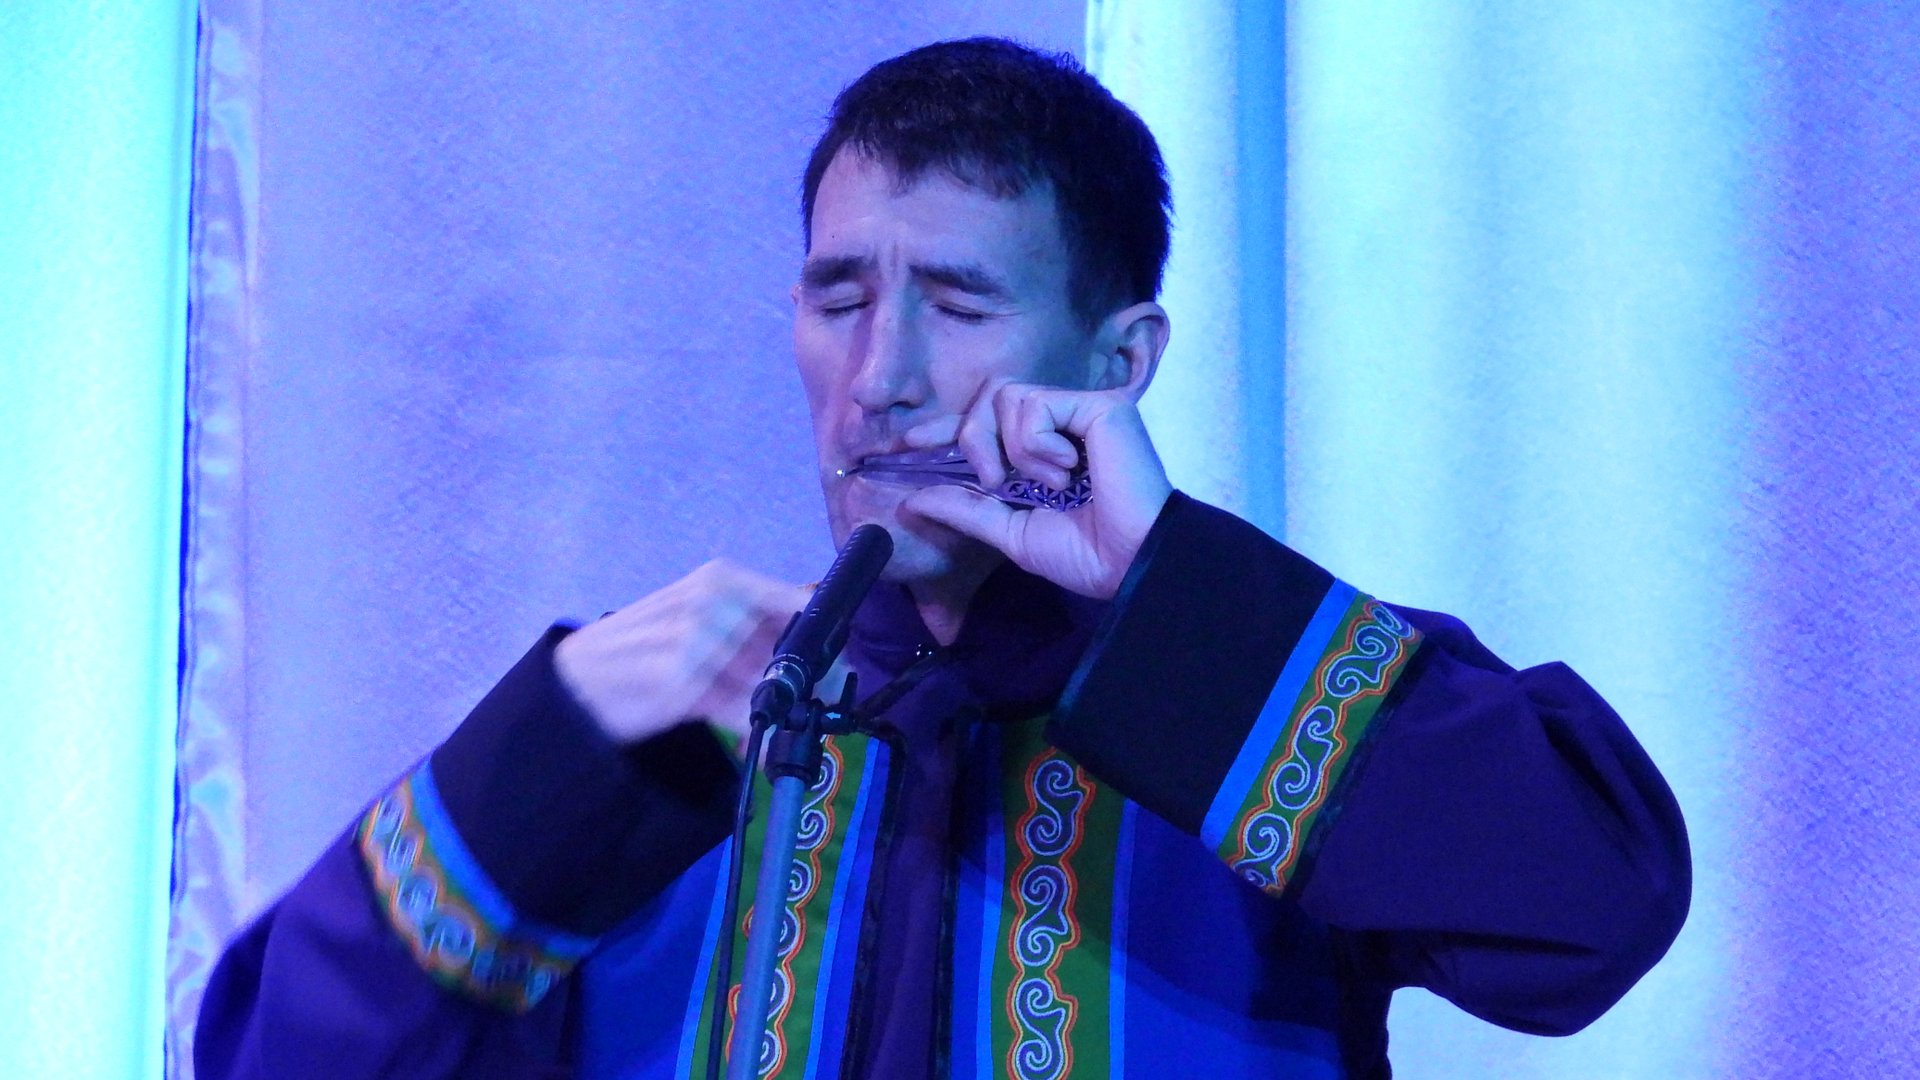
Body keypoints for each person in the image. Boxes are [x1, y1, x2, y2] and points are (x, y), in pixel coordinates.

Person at [195, 37, 1689, 1080]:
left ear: (1118, 361)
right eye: (839, 298)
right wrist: (531, 765)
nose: (881, 378)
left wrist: (1167, 583)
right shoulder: (652, 747)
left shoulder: (1250, 691)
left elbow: (1596, 909)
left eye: (961, 305)